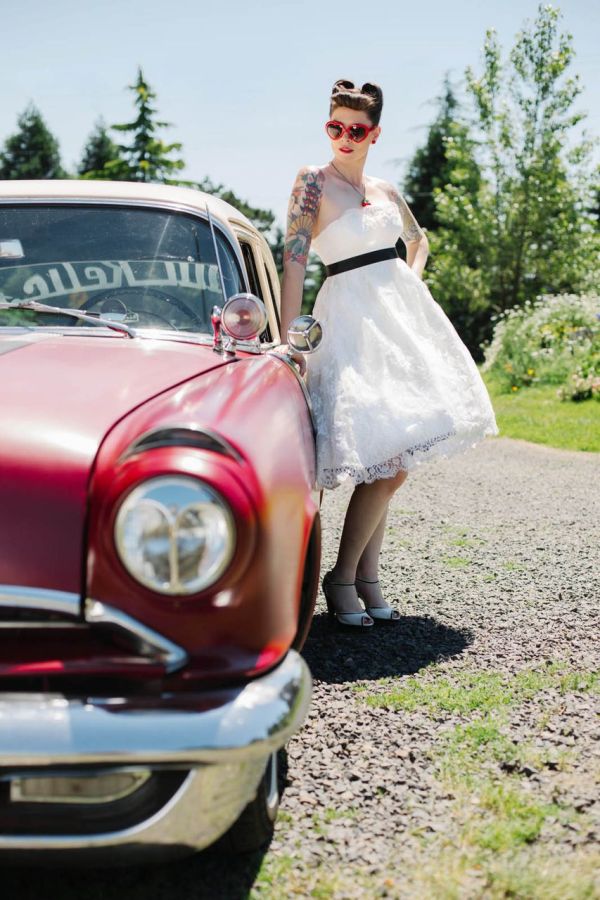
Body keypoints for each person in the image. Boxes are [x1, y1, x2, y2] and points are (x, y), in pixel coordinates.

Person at [274, 78, 499, 630]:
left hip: (399, 324)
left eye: (356, 130)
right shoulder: (311, 182)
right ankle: (342, 578)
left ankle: (365, 577)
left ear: (374, 134)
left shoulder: (386, 189)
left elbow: (418, 242)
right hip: (348, 321)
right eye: (335, 126)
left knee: (394, 456)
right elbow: (294, 262)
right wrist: (289, 337)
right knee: (386, 460)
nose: (344, 137)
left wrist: (410, 284)